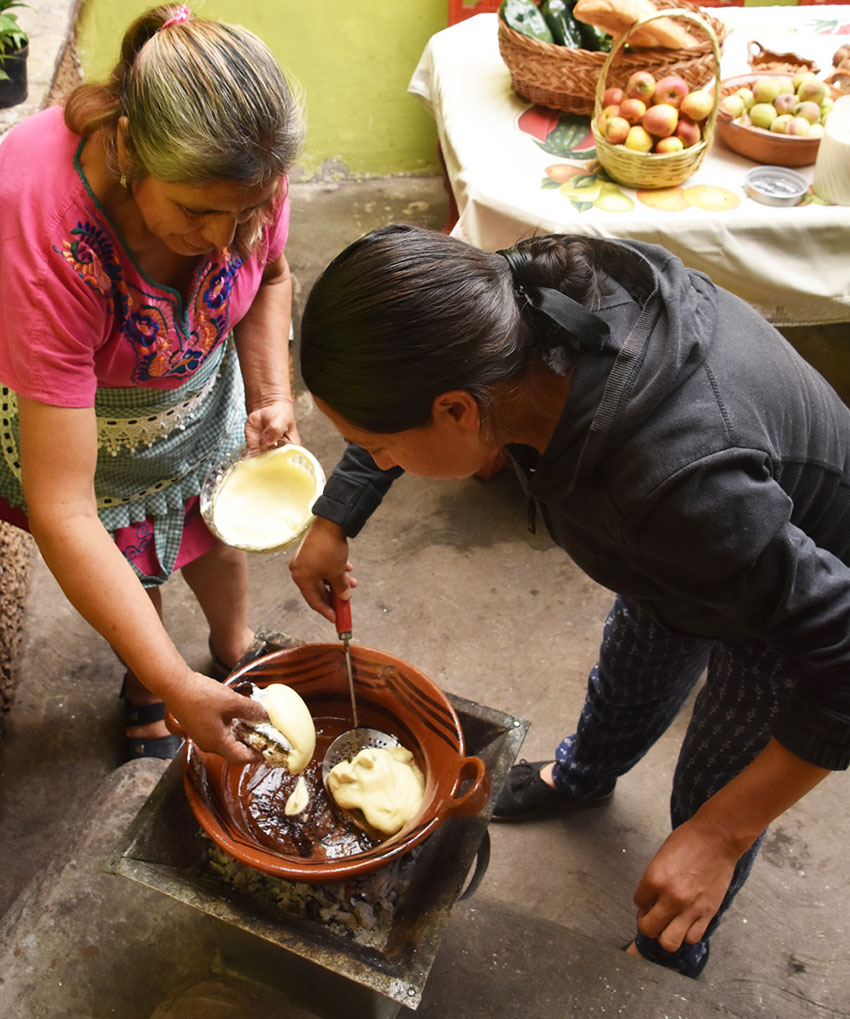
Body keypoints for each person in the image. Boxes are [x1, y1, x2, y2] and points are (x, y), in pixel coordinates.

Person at [288, 223, 850, 978]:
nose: (379, 457)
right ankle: (582, 775)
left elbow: (842, 655)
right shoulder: (523, 302)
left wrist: (720, 834)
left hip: (797, 602)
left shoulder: (677, 491)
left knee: (714, 783)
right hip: (685, 564)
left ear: (457, 411)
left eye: (379, 447)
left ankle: (671, 936)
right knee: (628, 675)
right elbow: (406, 381)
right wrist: (336, 514)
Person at [0, 4, 304, 762]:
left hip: (193, 399)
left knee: (214, 528)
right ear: (131, 146)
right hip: (88, 429)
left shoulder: (249, 161)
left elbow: (269, 277)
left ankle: (234, 651)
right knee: (131, 554)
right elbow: (67, 508)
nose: (222, 241)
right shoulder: (44, 231)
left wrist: (270, 395)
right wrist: (171, 680)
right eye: (197, 213)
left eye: (246, 214)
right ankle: (149, 680)